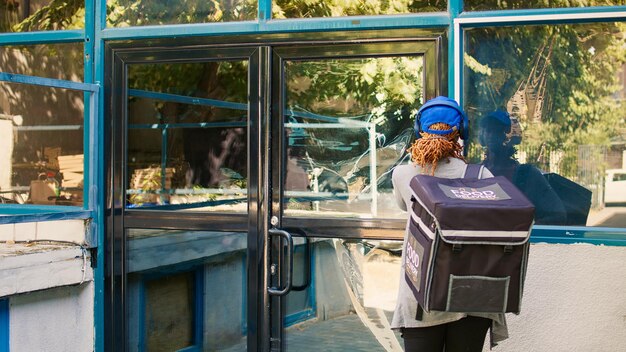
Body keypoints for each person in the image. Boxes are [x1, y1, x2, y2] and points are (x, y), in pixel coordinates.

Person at [391, 97, 508, 351]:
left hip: (423, 294)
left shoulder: (402, 175)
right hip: (471, 296)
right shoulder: (481, 176)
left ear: (418, 130)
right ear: (461, 132)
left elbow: (405, 207)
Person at [478, 110, 567, 225]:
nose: (490, 135)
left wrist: (525, 232)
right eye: (488, 130)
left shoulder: (526, 175)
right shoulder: (476, 173)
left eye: (496, 130)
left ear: (507, 135)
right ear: (482, 136)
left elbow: (558, 215)